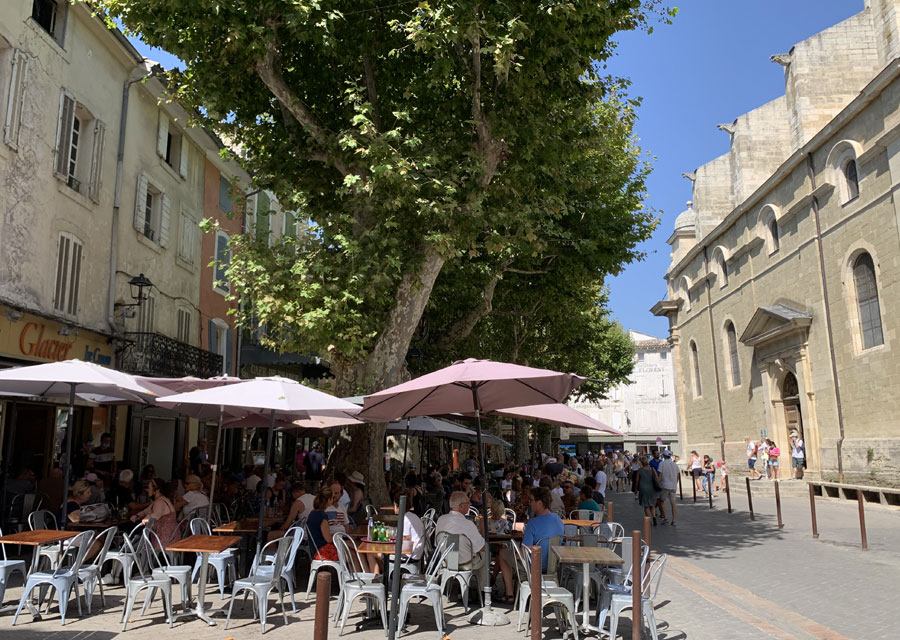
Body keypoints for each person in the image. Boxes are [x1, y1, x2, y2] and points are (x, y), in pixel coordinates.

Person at [496, 486, 563, 603]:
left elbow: (523, 553)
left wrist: (514, 554)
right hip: (552, 565)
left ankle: (509, 593)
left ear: (539, 503)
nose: (529, 503)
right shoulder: (558, 519)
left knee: (502, 553)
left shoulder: (532, 523)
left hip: (534, 566)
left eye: (531, 500)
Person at [364, 487, 426, 574]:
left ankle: (377, 580)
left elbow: (404, 539)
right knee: (381, 555)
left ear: (397, 506)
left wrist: (388, 538)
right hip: (415, 552)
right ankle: (385, 575)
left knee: (371, 554)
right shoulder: (411, 516)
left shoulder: (406, 519)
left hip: (409, 555)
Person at [435, 491, 485, 573]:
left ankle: (449, 582)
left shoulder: (441, 519)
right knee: (486, 555)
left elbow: (436, 544)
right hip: (465, 563)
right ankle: (483, 585)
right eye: (468, 503)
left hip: (446, 561)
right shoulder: (468, 524)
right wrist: (483, 531)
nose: (470, 505)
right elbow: (482, 548)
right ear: (461, 506)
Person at [131, 478, 177, 547]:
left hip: (165, 538)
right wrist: (137, 516)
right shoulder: (161, 499)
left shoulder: (160, 502)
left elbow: (155, 516)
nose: (147, 490)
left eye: (149, 488)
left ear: (156, 490)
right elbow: (146, 510)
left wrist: (144, 520)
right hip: (171, 536)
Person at [306, 487, 338, 560]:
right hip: (322, 551)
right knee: (352, 554)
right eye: (332, 498)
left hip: (315, 548)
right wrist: (338, 536)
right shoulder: (322, 516)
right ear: (329, 500)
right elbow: (328, 539)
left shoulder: (313, 513)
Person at [636, 455, 665, 525]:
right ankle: (654, 517)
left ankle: (649, 520)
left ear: (641, 462)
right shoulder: (652, 469)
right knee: (652, 505)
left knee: (646, 506)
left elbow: (637, 481)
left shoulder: (640, 470)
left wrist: (636, 489)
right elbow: (657, 478)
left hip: (643, 489)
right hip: (652, 489)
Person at [657, 450, 679, 526]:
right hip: (673, 485)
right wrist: (675, 483)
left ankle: (665, 517)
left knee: (661, 501)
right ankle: (674, 520)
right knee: (673, 503)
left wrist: (657, 483)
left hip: (665, 485)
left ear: (664, 456)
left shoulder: (662, 464)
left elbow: (660, 476)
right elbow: (677, 475)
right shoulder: (675, 464)